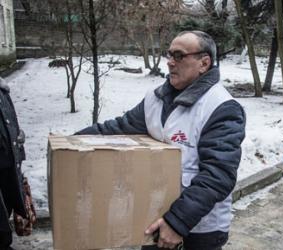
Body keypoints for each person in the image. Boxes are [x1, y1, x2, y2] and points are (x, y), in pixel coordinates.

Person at [76, 30, 246, 250]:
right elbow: (118, 128)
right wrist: (71, 142)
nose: (169, 62)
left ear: (204, 63)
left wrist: (177, 222)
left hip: (199, 230)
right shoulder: (156, 98)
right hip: (155, 218)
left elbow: (218, 175)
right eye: (169, 55)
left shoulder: (222, 107)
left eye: (179, 55)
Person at [0, 77, 28, 250]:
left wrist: (17, 138)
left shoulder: (2, 90)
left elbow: (11, 124)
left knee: (7, 210)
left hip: (7, 166)